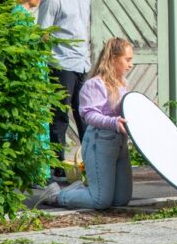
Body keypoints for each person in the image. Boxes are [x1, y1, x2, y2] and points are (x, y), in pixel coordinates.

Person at [46, 38, 134, 209]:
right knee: (99, 201)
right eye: (127, 59)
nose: (130, 65)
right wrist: (114, 122)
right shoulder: (94, 84)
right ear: (113, 58)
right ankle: (57, 195)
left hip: (119, 143)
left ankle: (80, 189)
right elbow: (89, 115)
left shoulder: (122, 84)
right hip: (99, 142)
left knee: (120, 200)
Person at [37, 0, 91, 182]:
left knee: (85, 113)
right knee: (60, 116)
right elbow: (43, 32)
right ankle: (57, 167)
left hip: (82, 63)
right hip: (62, 64)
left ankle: (91, 161)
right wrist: (53, 60)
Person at [13, 0, 51, 184]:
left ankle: (36, 172)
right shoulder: (19, 16)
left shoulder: (27, 16)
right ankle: (31, 172)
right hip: (28, 77)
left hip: (36, 76)